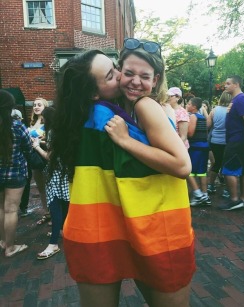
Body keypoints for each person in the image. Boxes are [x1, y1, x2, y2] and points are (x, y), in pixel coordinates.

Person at [49, 42, 194, 306]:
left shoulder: (135, 109)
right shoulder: (106, 115)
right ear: (94, 93)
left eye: (115, 68)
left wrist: (127, 141)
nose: (125, 79)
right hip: (143, 226)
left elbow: (183, 166)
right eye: (115, 74)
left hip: (108, 227)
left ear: (156, 79)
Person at [32, 107, 69, 259]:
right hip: (65, 174)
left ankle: (53, 244)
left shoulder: (53, 132)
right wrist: (44, 142)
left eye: (43, 119)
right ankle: (62, 231)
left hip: (55, 175)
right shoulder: (62, 131)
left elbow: (50, 157)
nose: (42, 121)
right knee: (64, 205)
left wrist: (36, 147)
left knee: (54, 207)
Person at [0, 89, 32, 257]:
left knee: (0, 208)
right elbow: (28, 146)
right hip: (15, 172)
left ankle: (3, 240)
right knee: (11, 209)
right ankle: (10, 247)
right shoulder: (17, 125)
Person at [219, 75, 244, 210]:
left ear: (236, 84)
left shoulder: (241, 99)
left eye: (228, 83)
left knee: (228, 170)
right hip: (236, 140)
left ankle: (235, 200)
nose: (225, 86)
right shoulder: (236, 100)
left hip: (237, 141)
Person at [28, 97, 50, 224]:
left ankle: (54, 214)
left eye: (39, 105)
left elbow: (51, 140)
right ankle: (46, 213)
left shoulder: (47, 123)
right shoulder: (32, 123)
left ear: (45, 107)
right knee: (41, 187)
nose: (36, 107)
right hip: (34, 159)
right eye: (34, 105)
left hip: (44, 157)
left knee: (49, 187)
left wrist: (37, 142)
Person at [186, 97, 211, 206]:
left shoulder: (193, 116)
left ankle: (197, 195)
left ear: (194, 107)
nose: (187, 105)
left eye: (189, 103)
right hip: (204, 146)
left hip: (195, 147)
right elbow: (205, 132)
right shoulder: (202, 117)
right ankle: (205, 195)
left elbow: (190, 133)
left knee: (190, 172)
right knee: (202, 172)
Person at [207, 91, 232, 198]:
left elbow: (207, 126)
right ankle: (227, 190)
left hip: (215, 140)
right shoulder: (231, 111)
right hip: (228, 141)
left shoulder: (214, 110)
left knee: (216, 163)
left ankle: (210, 185)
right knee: (227, 165)